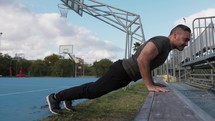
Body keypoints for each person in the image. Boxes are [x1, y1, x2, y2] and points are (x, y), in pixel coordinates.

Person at [46, 24, 191, 114]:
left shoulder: (166, 47)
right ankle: (55, 97)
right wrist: (149, 85)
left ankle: (67, 98)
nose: (186, 43)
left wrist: (152, 82)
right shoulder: (162, 42)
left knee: (93, 88)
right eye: (185, 39)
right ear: (174, 35)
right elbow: (142, 59)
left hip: (125, 74)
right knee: (93, 91)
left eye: (188, 40)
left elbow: (148, 64)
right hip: (121, 71)